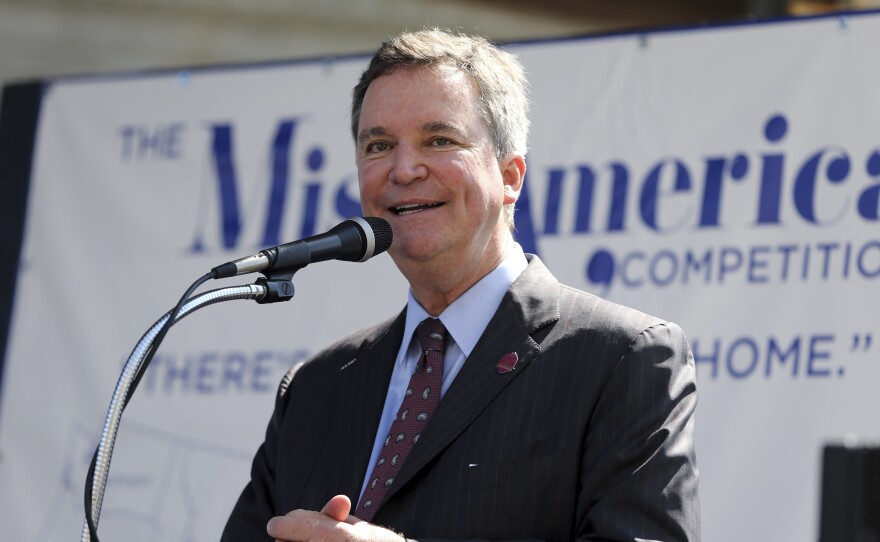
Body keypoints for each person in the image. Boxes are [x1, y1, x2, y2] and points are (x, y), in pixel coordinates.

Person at [222, 28, 700, 542]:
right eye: (379, 145)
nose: (404, 170)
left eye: (440, 140)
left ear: (511, 175)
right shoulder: (315, 387)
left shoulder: (622, 358)